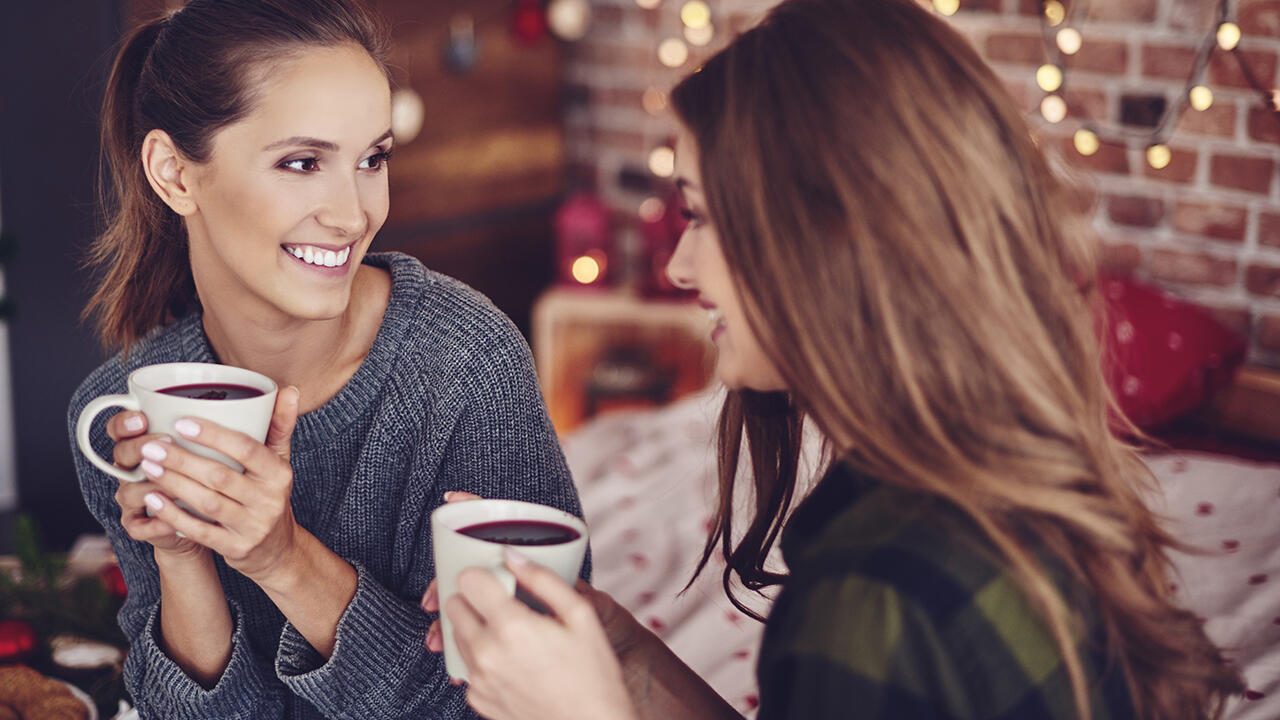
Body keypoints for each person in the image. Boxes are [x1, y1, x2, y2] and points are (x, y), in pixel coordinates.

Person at [420, 0, 1245, 718]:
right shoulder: (1009, 480)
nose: (677, 268)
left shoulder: (871, 595)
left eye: (701, 218)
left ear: (822, 245)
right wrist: (625, 661)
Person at [66, 1, 586, 717]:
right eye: (303, 163)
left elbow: (549, 700)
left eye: (373, 159)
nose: (352, 214)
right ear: (174, 174)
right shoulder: (120, 413)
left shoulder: (466, 365)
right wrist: (182, 556)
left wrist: (282, 559)